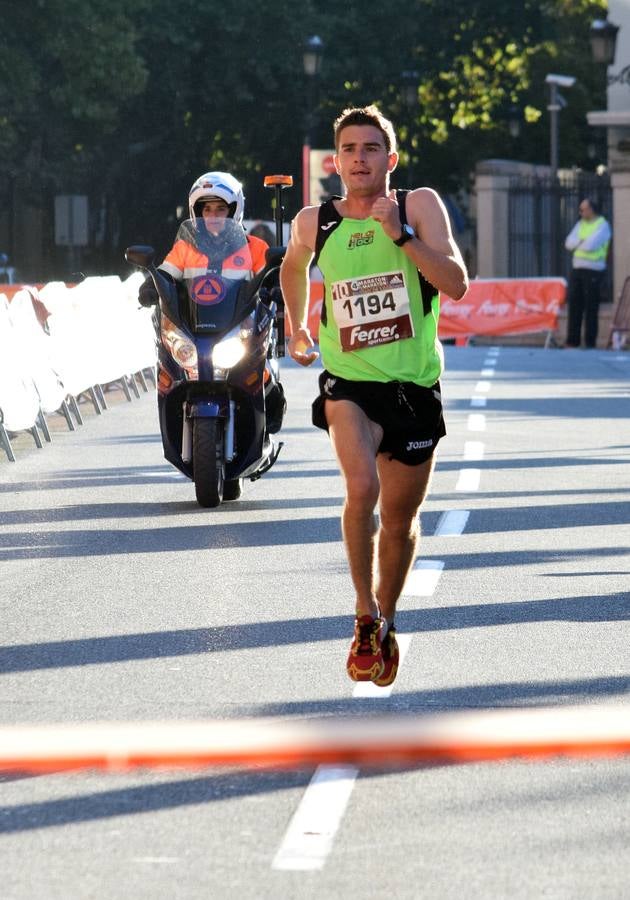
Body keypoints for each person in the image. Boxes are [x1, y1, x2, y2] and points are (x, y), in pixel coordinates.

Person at [279, 105, 468, 686]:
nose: (359, 159)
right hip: (349, 381)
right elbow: (293, 268)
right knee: (362, 487)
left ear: (391, 158)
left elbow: (456, 284)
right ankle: (363, 612)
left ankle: (387, 619)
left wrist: (402, 236)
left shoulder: (418, 205)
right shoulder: (316, 221)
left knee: (401, 520)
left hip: (413, 385)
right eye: (349, 150)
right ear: (335, 162)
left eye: (370, 148)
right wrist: (298, 325)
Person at [139, 171, 285, 432]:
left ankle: (267, 414)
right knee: (171, 374)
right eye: (207, 209)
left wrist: (276, 287)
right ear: (197, 213)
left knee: (266, 376)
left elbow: (273, 275)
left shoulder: (254, 247)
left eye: (220, 209)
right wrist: (152, 284)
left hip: (240, 330)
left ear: (234, 211)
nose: (214, 216)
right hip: (197, 331)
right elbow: (166, 272)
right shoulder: (186, 247)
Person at [564, 197, 611, 349]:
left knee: (591, 307)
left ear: (591, 210)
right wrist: (580, 242)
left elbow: (591, 245)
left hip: (594, 271)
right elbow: (568, 243)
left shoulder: (602, 225)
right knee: (574, 305)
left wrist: (578, 242)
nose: (580, 212)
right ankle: (572, 340)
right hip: (577, 269)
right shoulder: (580, 224)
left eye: (582, 209)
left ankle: (590, 342)